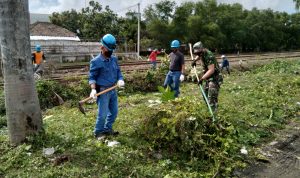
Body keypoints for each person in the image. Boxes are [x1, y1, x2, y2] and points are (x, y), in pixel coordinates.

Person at [89, 34, 125, 139]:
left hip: (113, 89)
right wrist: (93, 89)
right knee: (102, 115)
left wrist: (120, 79)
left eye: (111, 50)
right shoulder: (95, 62)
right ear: (102, 47)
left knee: (114, 112)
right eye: (108, 50)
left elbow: (118, 71)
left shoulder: (114, 59)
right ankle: (98, 132)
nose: (110, 52)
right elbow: (92, 77)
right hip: (103, 91)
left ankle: (107, 129)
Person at [191, 41, 222, 112]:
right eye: (196, 53)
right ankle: (210, 110)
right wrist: (194, 60)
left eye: (199, 52)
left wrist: (202, 79)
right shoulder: (201, 54)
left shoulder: (209, 56)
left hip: (215, 78)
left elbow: (211, 70)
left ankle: (214, 113)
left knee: (211, 96)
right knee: (205, 94)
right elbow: (199, 56)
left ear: (202, 49)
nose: (198, 54)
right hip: (208, 77)